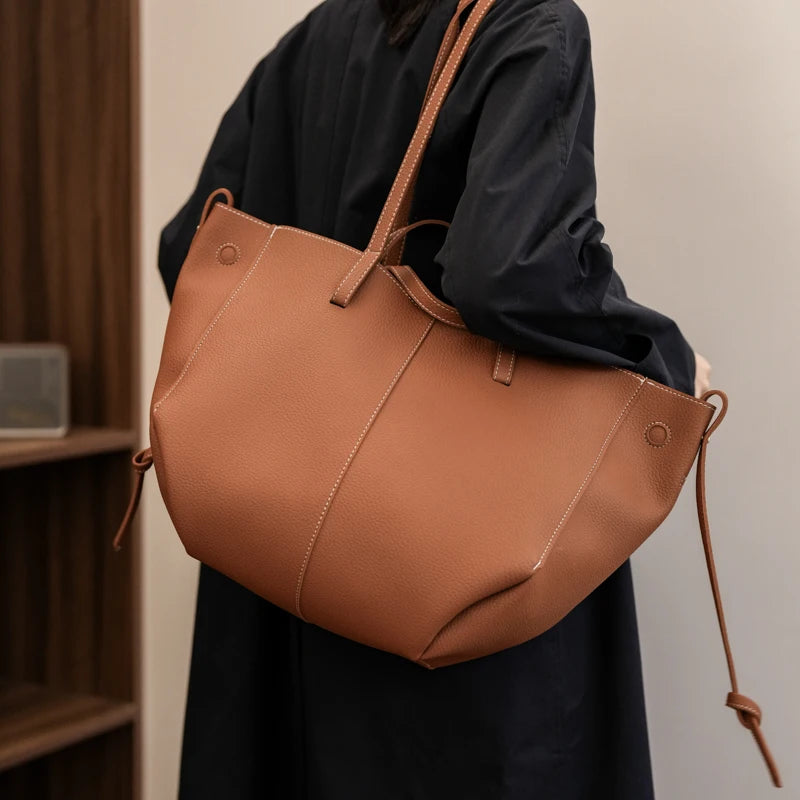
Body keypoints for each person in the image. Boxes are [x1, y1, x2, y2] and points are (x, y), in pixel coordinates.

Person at [158, 0, 712, 797]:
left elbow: (189, 256)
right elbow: (507, 272)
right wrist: (660, 355)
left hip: (276, 584)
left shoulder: (309, 43)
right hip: (452, 585)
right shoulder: (532, 24)